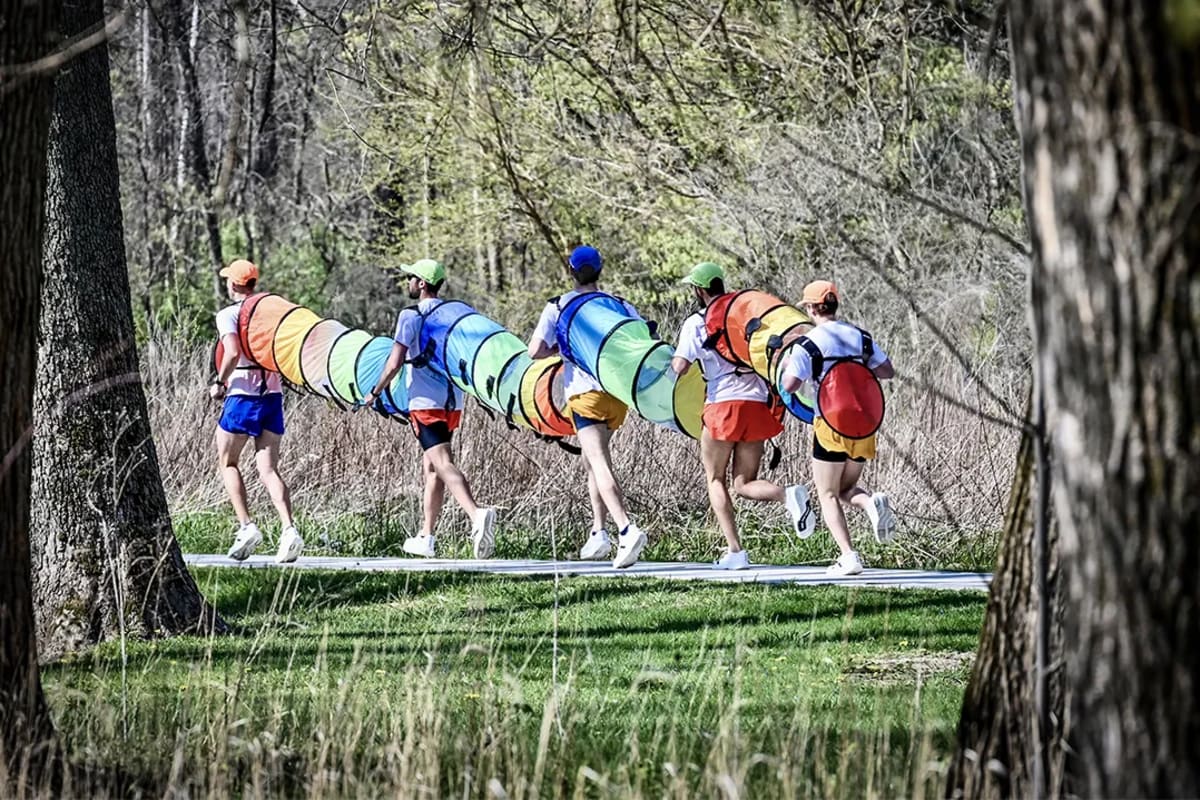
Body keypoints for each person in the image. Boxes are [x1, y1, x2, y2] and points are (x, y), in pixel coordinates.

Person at [670, 262, 815, 569]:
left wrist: (672, 363)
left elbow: (680, 366)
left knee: (716, 479)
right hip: (757, 405)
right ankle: (787, 495)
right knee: (743, 482)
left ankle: (735, 551)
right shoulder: (745, 315)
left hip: (722, 406)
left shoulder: (696, 323)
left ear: (699, 289)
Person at [362, 258, 497, 559]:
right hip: (454, 402)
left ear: (421, 283)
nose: (407, 281)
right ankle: (427, 535)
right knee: (432, 468)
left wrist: (376, 391)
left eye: (411, 277)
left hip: (425, 403)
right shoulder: (453, 314)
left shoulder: (410, 316)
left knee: (442, 462)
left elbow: (395, 361)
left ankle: (476, 515)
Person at [527, 245, 647, 568]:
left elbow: (534, 350)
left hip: (583, 395)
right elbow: (641, 338)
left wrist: (560, 350)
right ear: (600, 269)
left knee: (598, 462)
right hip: (616, 396)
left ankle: (626, 529)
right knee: (594, 462)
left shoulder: (558, 306)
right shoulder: (620, 304)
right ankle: (598, 532)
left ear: (570, 271)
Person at [781, 280, 896, 576]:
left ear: (809, 308)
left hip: (830, 426)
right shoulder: (861, 337)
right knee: (847, 488)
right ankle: (871, 504)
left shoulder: (808, 343)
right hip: (864, 424)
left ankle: (848, 556)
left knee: (828, 493)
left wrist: (789, 365)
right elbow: (887, 371)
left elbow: (790, 385)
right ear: (834, 305)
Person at [210, 259, 304, 563]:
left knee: (228, 462)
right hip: (272, 395)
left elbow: (233, 352)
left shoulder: (228, 315)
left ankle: (247, 526)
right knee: (268, 469)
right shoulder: (268, 312)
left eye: (228, 280)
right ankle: (289, 530)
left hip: (242, 396)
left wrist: (219, 382)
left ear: (235, 284)